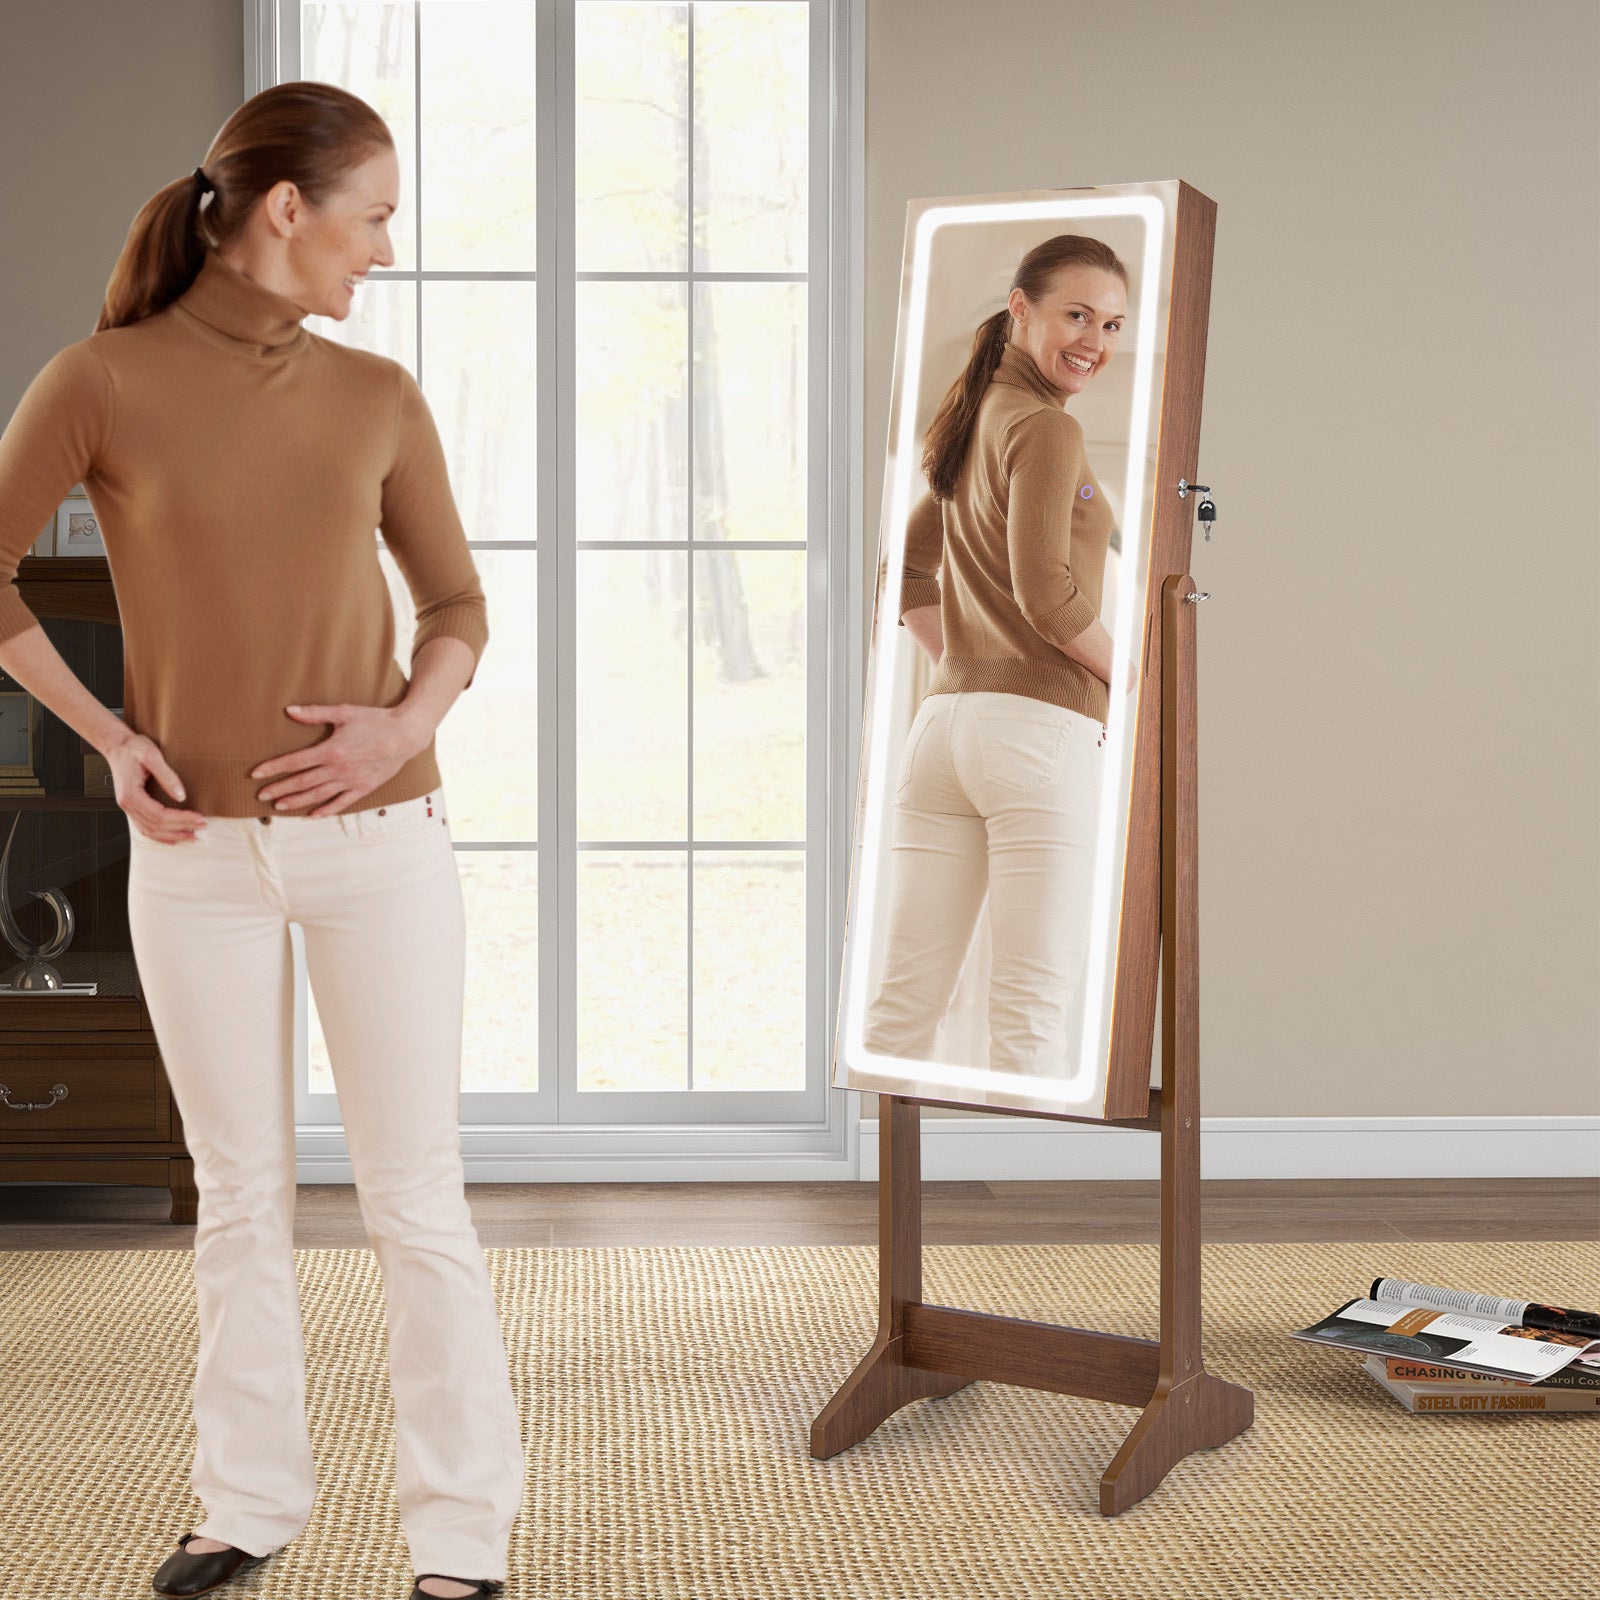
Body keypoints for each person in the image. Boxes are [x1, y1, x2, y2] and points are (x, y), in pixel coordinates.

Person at [0, 83, 519, 1600]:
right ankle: (243, 1505)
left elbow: (459, 612)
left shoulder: (380, 396)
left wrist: (395, 730)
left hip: (384, 850)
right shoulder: (99, 381)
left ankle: (461, 1537)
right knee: (238, 1194)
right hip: (196, 863)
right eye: (375, 219)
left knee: (414, 1195)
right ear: (286, 210)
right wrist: (110, 739)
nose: (386, 253)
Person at [862, 234, 1135, 1082]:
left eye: (1113, 324)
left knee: (904, 1004)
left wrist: (970, 666)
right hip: (1037, 741)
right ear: (1021, 308)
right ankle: (1036, 1213)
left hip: (943, 734)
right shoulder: (1046, 428)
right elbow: (1049, 596)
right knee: (1031, 1007)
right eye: (1076, 314)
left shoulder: (970, 419)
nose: (1094, 340)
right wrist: (1139, 682)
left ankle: (884, 1204)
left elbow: (906, 575)